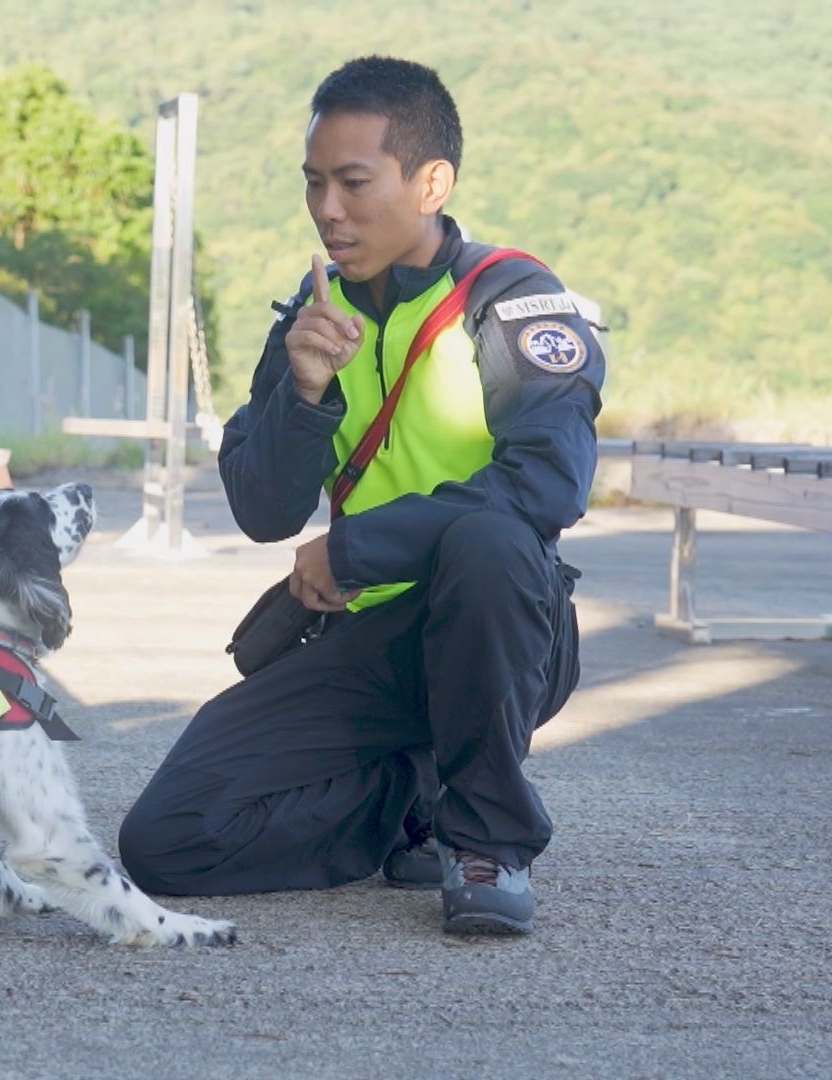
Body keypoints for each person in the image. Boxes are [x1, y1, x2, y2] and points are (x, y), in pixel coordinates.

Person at [116, 55, 605, 935]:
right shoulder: (311, 315)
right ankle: (406, 796)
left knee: (490, 542)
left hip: (501, 632)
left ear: (430, 182)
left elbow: (547, 484)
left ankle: (486, 839)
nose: (327, 210)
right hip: (365, 640)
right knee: (169, 843)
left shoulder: (513, 303)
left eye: (352, 182)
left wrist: (354, 547)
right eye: (314, 184)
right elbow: (263, 511)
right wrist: (304, 392)